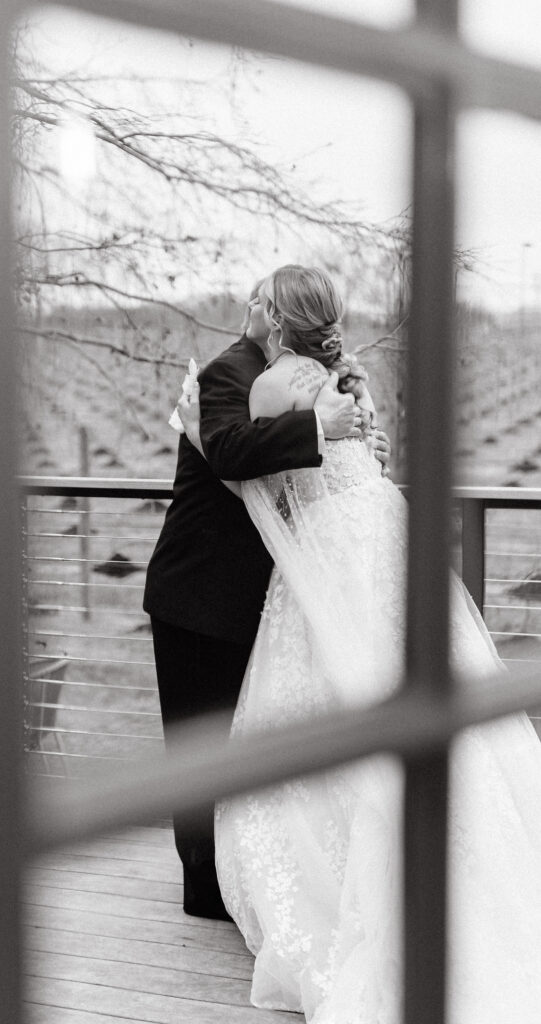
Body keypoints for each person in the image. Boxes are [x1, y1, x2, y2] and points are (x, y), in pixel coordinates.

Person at [178, 264, 541, 1023]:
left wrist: (194, 435)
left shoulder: (274, 386)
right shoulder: (352, 378)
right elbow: (368, 462)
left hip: (328, 551)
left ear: (276, 320)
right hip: (379, 531)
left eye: (260, 303)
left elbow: (257, 489)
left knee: (324, 700)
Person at [143, 273, 391, 920]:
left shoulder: (306, 370)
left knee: (247, 734)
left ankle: (249, 875)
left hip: (274, 582)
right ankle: (205, 887)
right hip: (203, 586)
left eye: (261, 299)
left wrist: (355, 445)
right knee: (201, 741)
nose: (250, 308)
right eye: (251, 298)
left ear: (278, 316)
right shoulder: (230, 370)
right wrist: (317, 429)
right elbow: (226, 450)